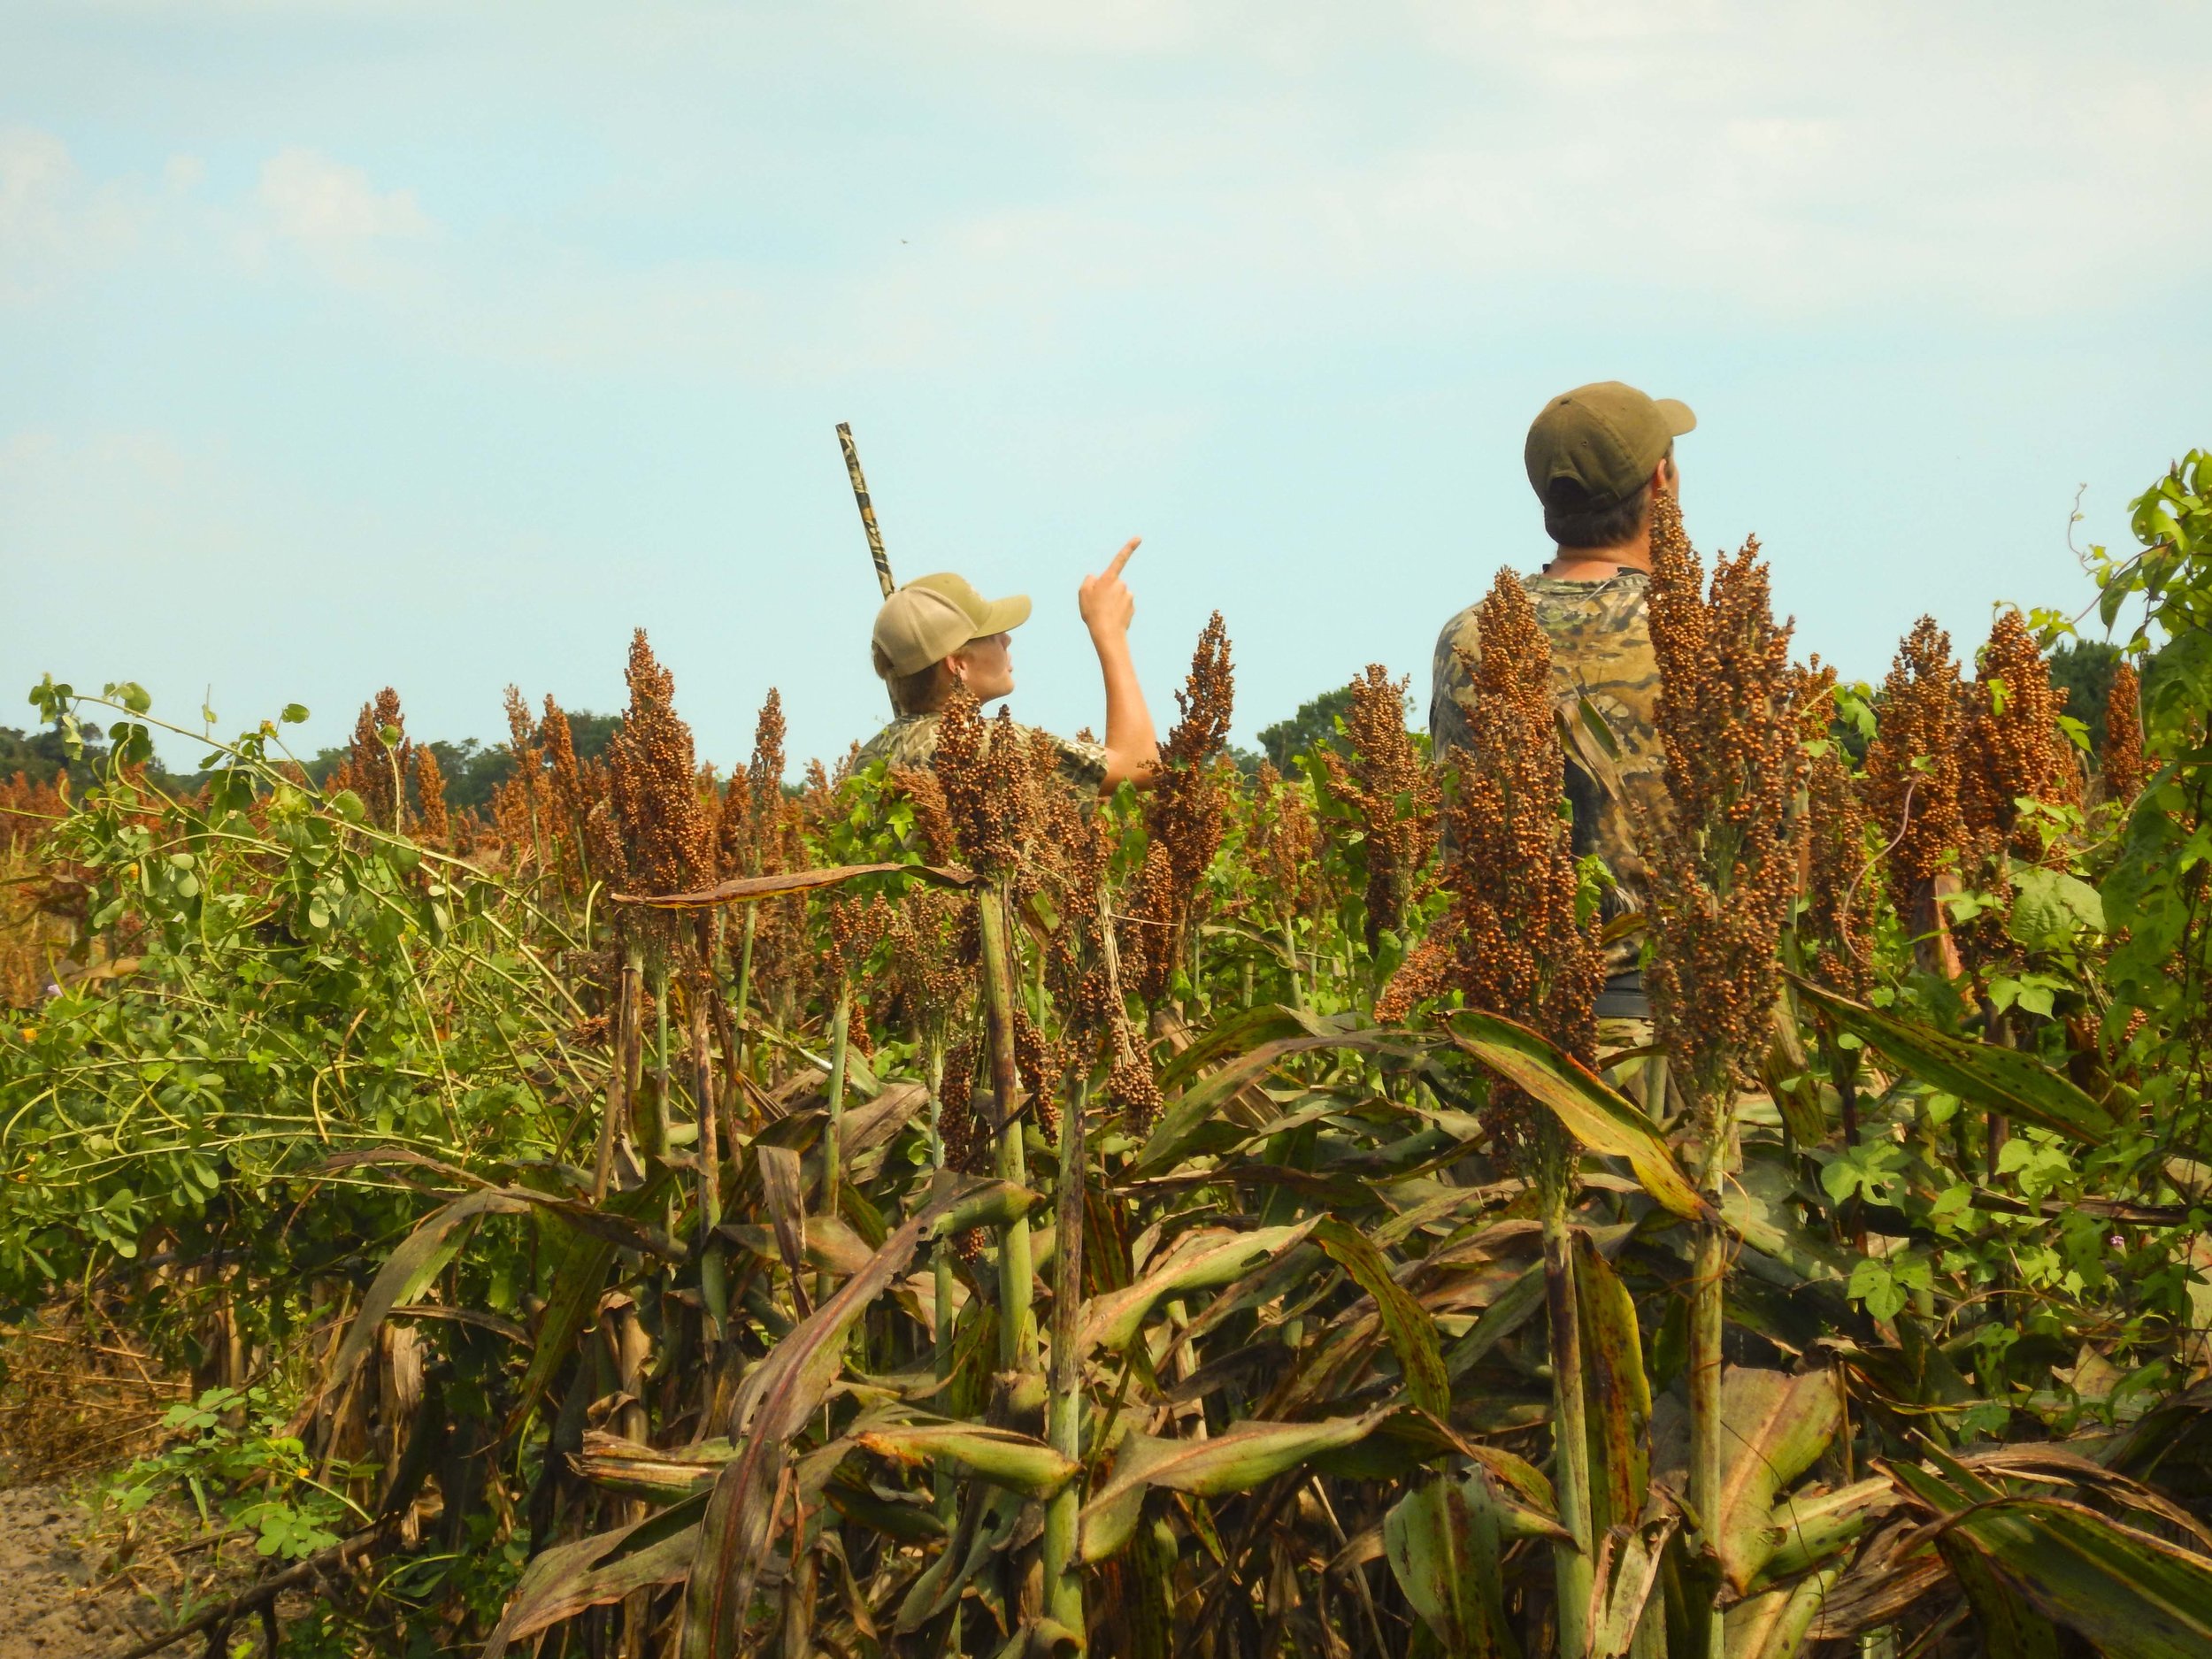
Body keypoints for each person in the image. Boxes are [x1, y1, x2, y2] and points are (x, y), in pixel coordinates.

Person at [1428, 380, 1694, 1018]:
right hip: (1678, 1023)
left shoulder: (1472, 635)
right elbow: (1779, 850)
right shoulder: (1705, 637)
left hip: (1518, 1023)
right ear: (1663, 480)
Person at [856, 539, 1159, 795]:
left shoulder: (868, 761)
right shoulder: (990, 746)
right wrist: (1109, 630)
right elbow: (1140, 765)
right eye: (991, 635)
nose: (1007, 640)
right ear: (958, 664)